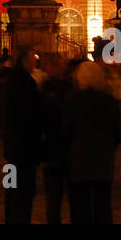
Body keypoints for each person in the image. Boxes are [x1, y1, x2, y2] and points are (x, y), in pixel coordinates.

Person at [64, 61, 121, 223]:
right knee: (103, 206)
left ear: (80, 79)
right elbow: (120, 132)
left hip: (78, 163)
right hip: (103, 163)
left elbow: (64, 132)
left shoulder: (72, 101)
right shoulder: (108, 101)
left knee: (80, 207)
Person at [3, 46, 43, 223]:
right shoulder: (26, 83)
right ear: (24, 61)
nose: (36, 61)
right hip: (25, 148)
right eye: (33, 58)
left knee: (10, 186)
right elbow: (32, 115)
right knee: (24, 190)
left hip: (11, 148)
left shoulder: (9, 81)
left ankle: (10, 217)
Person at [39, 55, 75, 223]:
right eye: (62, 65)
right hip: (58, 148)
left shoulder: (44, 89)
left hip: (58, 149)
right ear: (52, 67)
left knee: (56, 198)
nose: (65, 68)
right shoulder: (67, 88)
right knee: (58, 198)